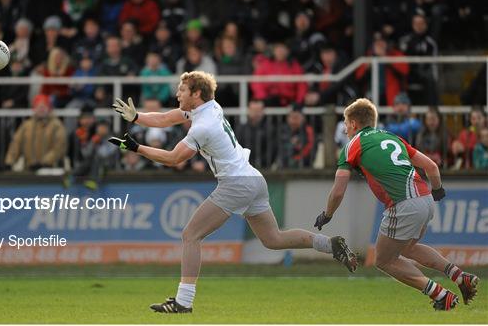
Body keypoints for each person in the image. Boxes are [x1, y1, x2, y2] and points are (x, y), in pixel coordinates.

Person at [109, 71, 358, 313]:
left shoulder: (202, 126)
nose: (177, 94)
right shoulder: (210, 107)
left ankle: (184, 301)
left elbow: (175, 158)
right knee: (274, 239)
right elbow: (167, 118)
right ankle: (330, 245)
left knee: (190, 236)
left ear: (196, 94)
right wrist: (137, 117)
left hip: (236, 183)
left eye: (182, 90)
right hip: (252, 178)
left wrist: (136, 147)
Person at [315, 98, 479, 311]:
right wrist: (437, 190)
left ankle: (440, 295)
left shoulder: (351, 146)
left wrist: (327, 214)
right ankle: (459, 276)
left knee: (384, 260)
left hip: (404, 203)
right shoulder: (391, 136)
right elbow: (431, 166)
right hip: (425, 198)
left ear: (354, 124)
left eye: (346, 124)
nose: (345, 129)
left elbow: (338, 191)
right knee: (408, 248)